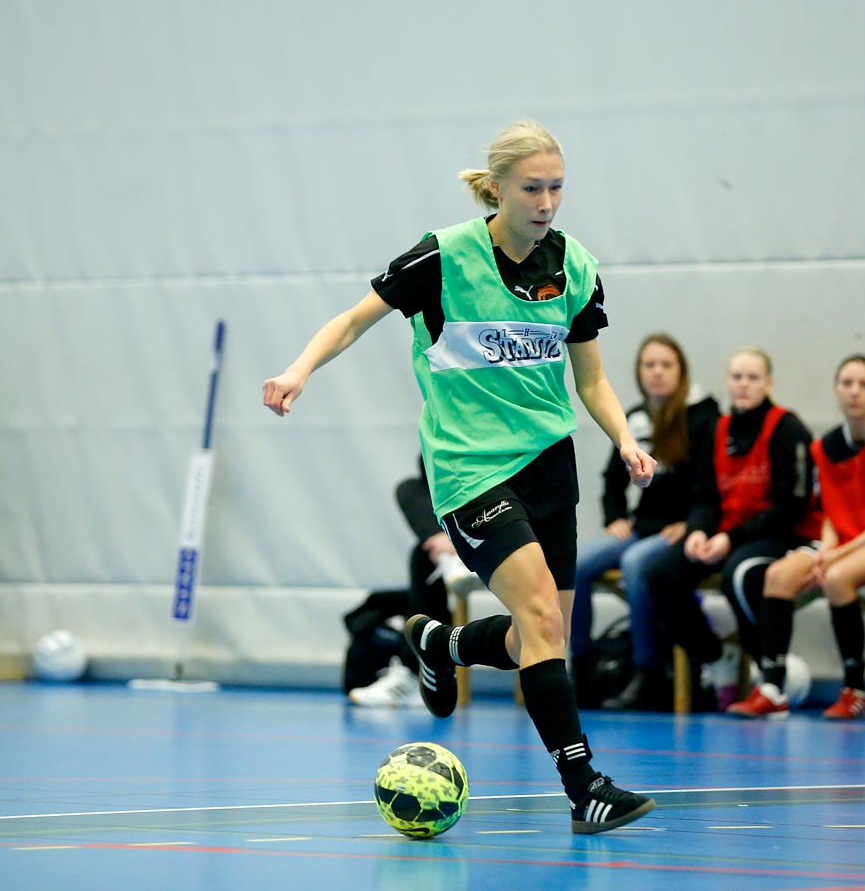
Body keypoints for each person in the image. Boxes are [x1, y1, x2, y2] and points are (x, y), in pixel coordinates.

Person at [263, 120, 658, 834]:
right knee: (539, 615)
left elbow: (591, 379)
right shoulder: (442, 258)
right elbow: (353, 320)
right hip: (470, 469)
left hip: (549, 464)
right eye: (531, 188)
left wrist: (625, 439)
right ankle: (585, 787)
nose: (546, 202)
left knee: (544, 634)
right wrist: (298, 371)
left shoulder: (575, 267)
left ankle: (440, 645)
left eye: (556, 187)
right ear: (498, 189)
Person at [634, 347, 816, 717]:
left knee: (740, 572)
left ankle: (770, 676)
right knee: (661, 573)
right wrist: (699, 531)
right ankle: (715, 658)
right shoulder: (719, 429)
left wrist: (729, 539)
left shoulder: (787, 427)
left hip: (778, 534)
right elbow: (704, 496)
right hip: (724, 534)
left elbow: (791, 506)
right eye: (737, 377)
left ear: (768, 383)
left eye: (752, 377)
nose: (743, 384)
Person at [755, 354, 865, 720]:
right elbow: (829, 513)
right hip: (846, 542)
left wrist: (837, 556)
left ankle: (855, 689)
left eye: (864, 384)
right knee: (778, 575)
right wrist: (826, 548)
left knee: (837, 577)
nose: (854, 392)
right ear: (837, 390)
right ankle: (773, 687)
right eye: (847, 384)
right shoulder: (824, 447)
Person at [569, 334, 718, 710]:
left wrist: (692, 524)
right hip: (642, 525)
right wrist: (615, 517)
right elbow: (612, 478)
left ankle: (647, 671)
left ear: (681, 372)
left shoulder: (703, 415)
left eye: (666, 365)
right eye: (649, 365)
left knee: (636, 565)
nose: (657, 373)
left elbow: (710, 481)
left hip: (680, 528)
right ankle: (580, 667)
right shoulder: (634, 417)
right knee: (577, 566)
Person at [347, 456, 470, 709]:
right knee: (411, 496)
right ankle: (417, 675)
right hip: (465, 524)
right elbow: (429, 469)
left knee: (427, 555)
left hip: (507, 520)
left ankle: (450, 554)